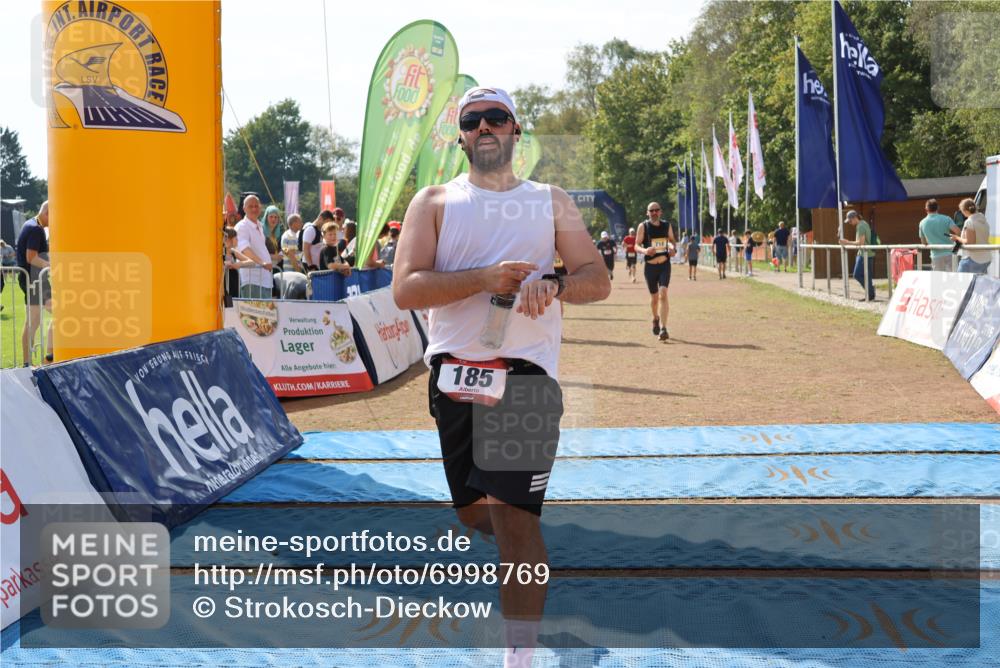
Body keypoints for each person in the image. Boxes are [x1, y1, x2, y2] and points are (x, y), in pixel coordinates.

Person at [392, 85, 610, 668]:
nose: (484, 127)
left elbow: (597, 277)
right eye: (472, 120)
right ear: (459, 135)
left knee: (514, 519)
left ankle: (521, 655)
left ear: (517, 130)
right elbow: (406, 288)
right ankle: (523, 547)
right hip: (455, 376)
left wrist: (556, 285)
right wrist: (485, 278)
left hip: (526, 377)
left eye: (496, 117)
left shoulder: (550, 199)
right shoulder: (433, 201)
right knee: (474, 513)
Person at [16, 201, 53, 364]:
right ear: (48, 213)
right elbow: (31, 258)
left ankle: (28, 363)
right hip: (35, 280)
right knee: (61, 314)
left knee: (33, 321)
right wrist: (50, 266)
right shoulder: (36, 229)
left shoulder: (30, 224)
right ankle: (49, 358)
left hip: (33, 279)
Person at [634, 201, 675, 341]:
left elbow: (672, 241)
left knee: (663, 293)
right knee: (654, 298)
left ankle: (664, 328)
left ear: (660, 211)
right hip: (650, 267)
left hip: (664, 264)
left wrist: (672, 248)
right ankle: (655, 318)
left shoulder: (666, 225)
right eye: (651, 211)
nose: (654, 213)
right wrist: (645, 250)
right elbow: (636, 245)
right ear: (647, 213)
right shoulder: (643, 226)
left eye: (656, 210)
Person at [234, 195, 274, 298]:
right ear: (244, 209)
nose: (254, 209)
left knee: (265, 314)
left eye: (256, 206)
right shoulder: (242, 226)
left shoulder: (260, 226)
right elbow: (245, 249)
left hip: (265, 280)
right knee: (253, 314)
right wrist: (262, 262)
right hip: (252, 280)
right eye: (250, 206)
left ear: (260, 208)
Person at [839, 210, 876, 301]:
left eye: (850, 221)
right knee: (867, 276)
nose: (850, 223)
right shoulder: (863, 223)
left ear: (855, 218)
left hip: (864, 254)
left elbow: (861, 243)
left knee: (857, 274)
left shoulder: (861, 226)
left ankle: (871, 292)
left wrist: (846, 242)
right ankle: (870, 293)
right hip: (867, 253)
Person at [951, 198, 991, 275]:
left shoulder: (969, 222)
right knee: (979, 284)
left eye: (962, 212)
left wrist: (956, 238)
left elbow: (969, 242)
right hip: (986, 258)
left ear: (965, 211)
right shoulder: (984, 221)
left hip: (972, 259)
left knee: (961, 283)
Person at [918, 198, 960, 272]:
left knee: (938, 280)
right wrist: (954, 238)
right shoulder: (946, 218)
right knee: (954, 279)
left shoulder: (922, 223)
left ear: (926, 209)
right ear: (938, 208)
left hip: (935, 255)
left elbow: (924, 243)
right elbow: (958, 232)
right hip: (950, 253)